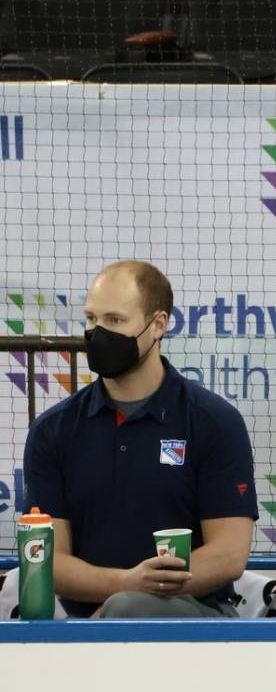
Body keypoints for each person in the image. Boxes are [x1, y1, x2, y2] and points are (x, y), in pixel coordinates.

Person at [23, 261, 258, 618]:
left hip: (198, 619)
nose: (97, 333)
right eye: (91, 319)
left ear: (158, 325)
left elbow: (228, 555)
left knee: (126, 608)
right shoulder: (52, 430)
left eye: (115, 321)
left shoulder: (214, 422)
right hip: (83, 632)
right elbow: (47, 561)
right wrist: (126, 584)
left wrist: (136, 595)